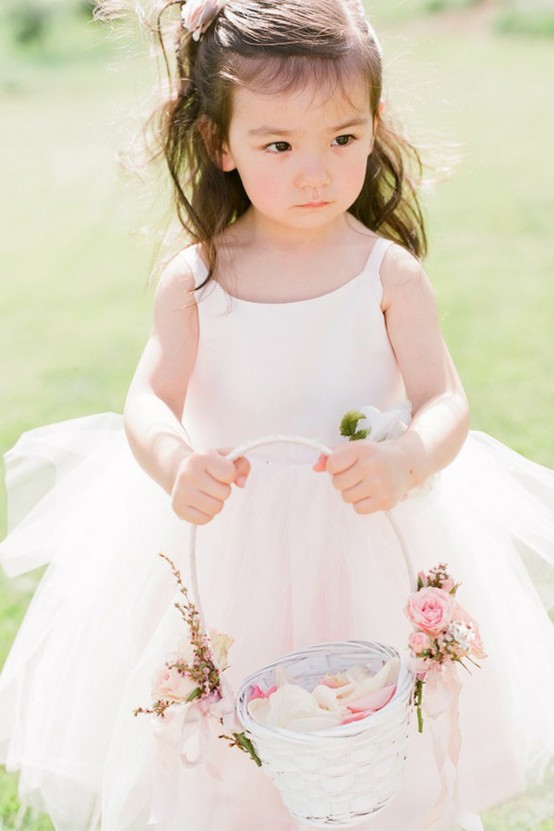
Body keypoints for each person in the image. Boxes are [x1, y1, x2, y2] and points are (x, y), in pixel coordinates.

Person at [1, 0, 553, 829]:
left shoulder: (387, 273)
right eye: (278, 145)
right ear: (221, 145)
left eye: (342, 139)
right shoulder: (197, 279)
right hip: (231, 546)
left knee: (375, 739)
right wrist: (175, 459)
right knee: (232, 752)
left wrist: (408, 457)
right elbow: (149, 394)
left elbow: (445, 399)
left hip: (369, 535)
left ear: (373, 127)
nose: (315, 171)